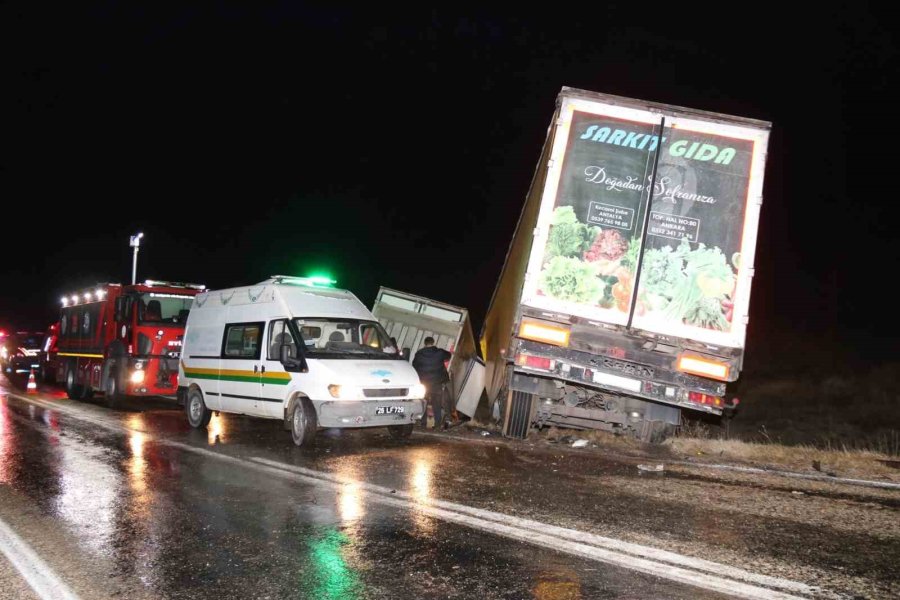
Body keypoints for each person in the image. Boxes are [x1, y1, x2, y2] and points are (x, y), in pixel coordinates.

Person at [412, 337, 451, 429]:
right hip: (436, 383)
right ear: (433, 342)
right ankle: (437, 424)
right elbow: (448, 355)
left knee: (423, 403)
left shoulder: (419, 354)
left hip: (423, 384)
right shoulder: (440, 352)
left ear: (424, 343)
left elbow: (414, 365)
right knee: (436, 404)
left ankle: (423, 423)